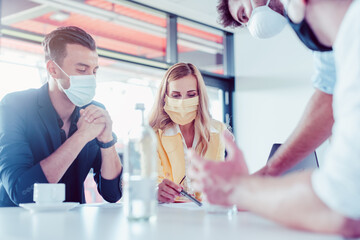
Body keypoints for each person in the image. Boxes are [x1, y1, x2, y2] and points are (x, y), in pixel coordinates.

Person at [189, 0, 360, 237]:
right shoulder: (343, 42)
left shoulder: (351, 35)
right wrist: (268, 173)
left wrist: (235, 187)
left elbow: (342, 208)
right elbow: (327, 92)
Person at [0, 26, 123, 207]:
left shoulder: (95, 111)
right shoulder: (15, 106)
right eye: (82, 70)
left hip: (74, 227)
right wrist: (80, 137)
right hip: (21, 227)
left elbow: (113, 194)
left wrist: (107, 142)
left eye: (94, 71)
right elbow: (21, 192)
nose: (91, 78)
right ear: (53, 70)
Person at [218, 0, 335, 176]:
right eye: (244, 19)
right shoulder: (308, 30)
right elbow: (328, 94)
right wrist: (268, 173)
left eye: (244, 12)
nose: (251, 19)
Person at [148, 62, 234, 203]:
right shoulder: (152, 135)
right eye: (176, 96)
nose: (183, 102)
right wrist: (156, 192)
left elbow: (216, 183)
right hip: (167, 216)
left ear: (200, 97)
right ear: (165, 98)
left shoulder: (217, 131)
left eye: (191, 95)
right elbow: (150, 184)